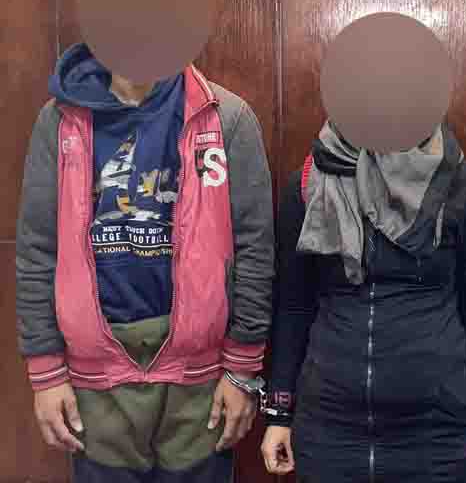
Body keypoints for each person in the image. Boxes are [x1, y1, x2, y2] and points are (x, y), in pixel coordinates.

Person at [16, 42, 275, 482]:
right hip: (96, 379)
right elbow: (38, 249)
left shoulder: (226, 117)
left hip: (200, 379)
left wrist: (242, 369)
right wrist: (46, 372)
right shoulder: (60, 122)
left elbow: (254, 247)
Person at [261, 120, 466, 482]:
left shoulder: (462, 185)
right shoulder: (308, 185)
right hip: (329, 429)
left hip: (435, 432)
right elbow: (293, 305)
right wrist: (279, 412)